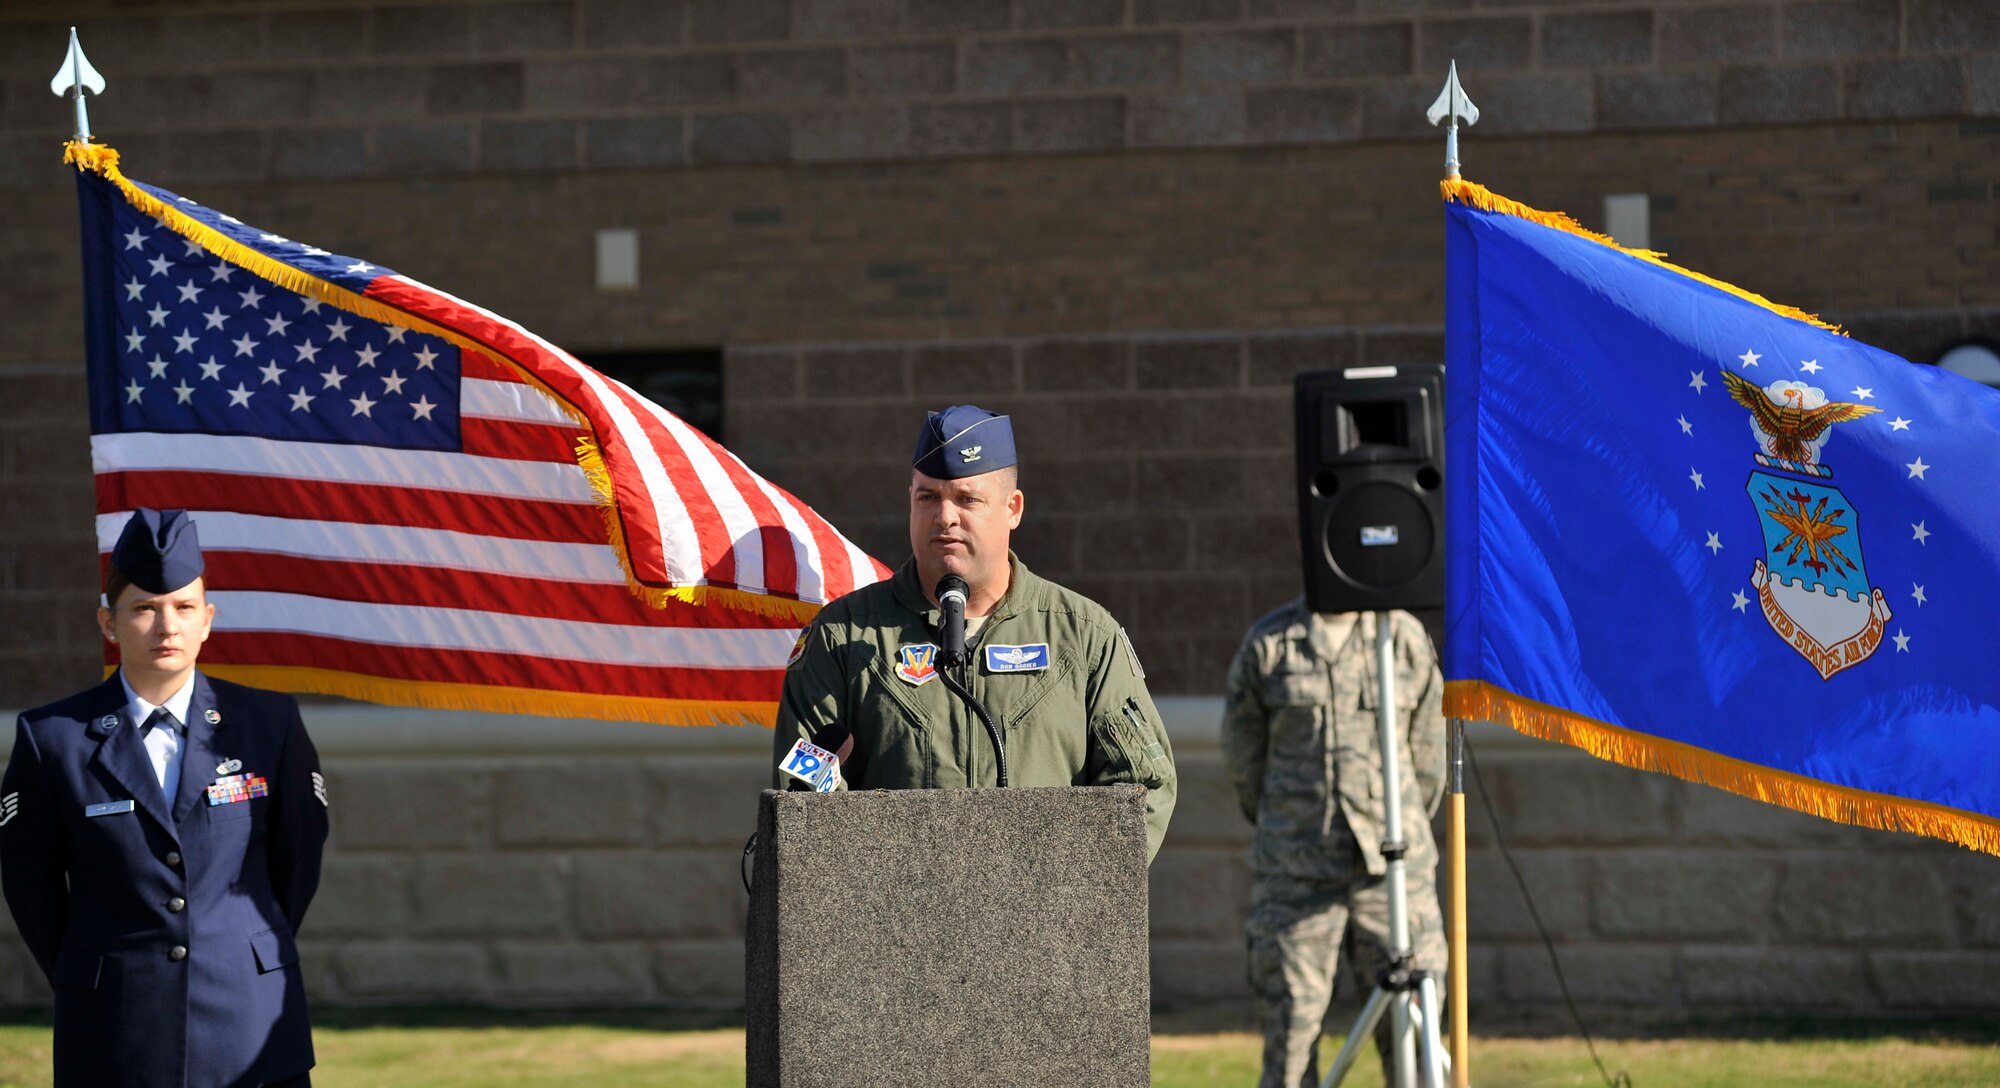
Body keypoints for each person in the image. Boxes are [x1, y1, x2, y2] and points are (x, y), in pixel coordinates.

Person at [1, 508, 329, 1087]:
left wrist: (241, 951)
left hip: (250, 1022)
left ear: (207, 619)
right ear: (109, 623)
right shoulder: (52, 738)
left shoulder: (267, 723)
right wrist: (100, 972)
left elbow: (296, 862)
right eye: (144, 609)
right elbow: (32, 885)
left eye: (182, 607)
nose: (166, 627)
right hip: (115, 1025)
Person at [774, 404, 1176, 861]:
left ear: (1013, 509)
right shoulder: (842, 638)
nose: (945, 516)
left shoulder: (1083, 636)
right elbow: (806, 802)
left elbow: (1142, 790)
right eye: (928, 498)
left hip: (1046, 924)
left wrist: (1065, 899)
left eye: (966, 499)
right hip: (894, 923)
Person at [1222, 603, 1447, 1088]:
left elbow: (1429, 759)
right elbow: (1245, 761)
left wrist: (1400, 825)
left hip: (1393, 879)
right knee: (1290, 1047)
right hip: (1296, 881)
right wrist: (1289, 828)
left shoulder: (1402, 639)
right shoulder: (1271, 644)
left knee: (1415, 1047)